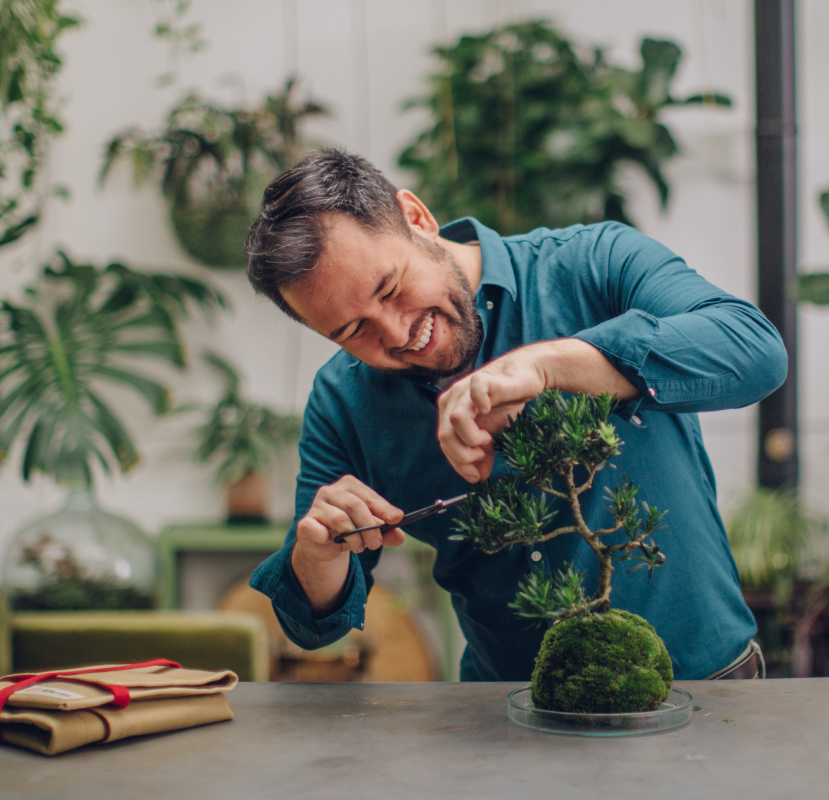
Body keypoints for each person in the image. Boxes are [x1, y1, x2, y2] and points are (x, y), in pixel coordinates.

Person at [245, 149, 786, 681]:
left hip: (701, 687)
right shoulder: (343, 400)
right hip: (505, 718)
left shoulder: (591, 264)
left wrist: (555, 363)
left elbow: (755, 352)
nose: (396, 333)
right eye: (352, 332)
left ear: (416, 217)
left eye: (390, 289)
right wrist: (319, 556)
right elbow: (313, 626)